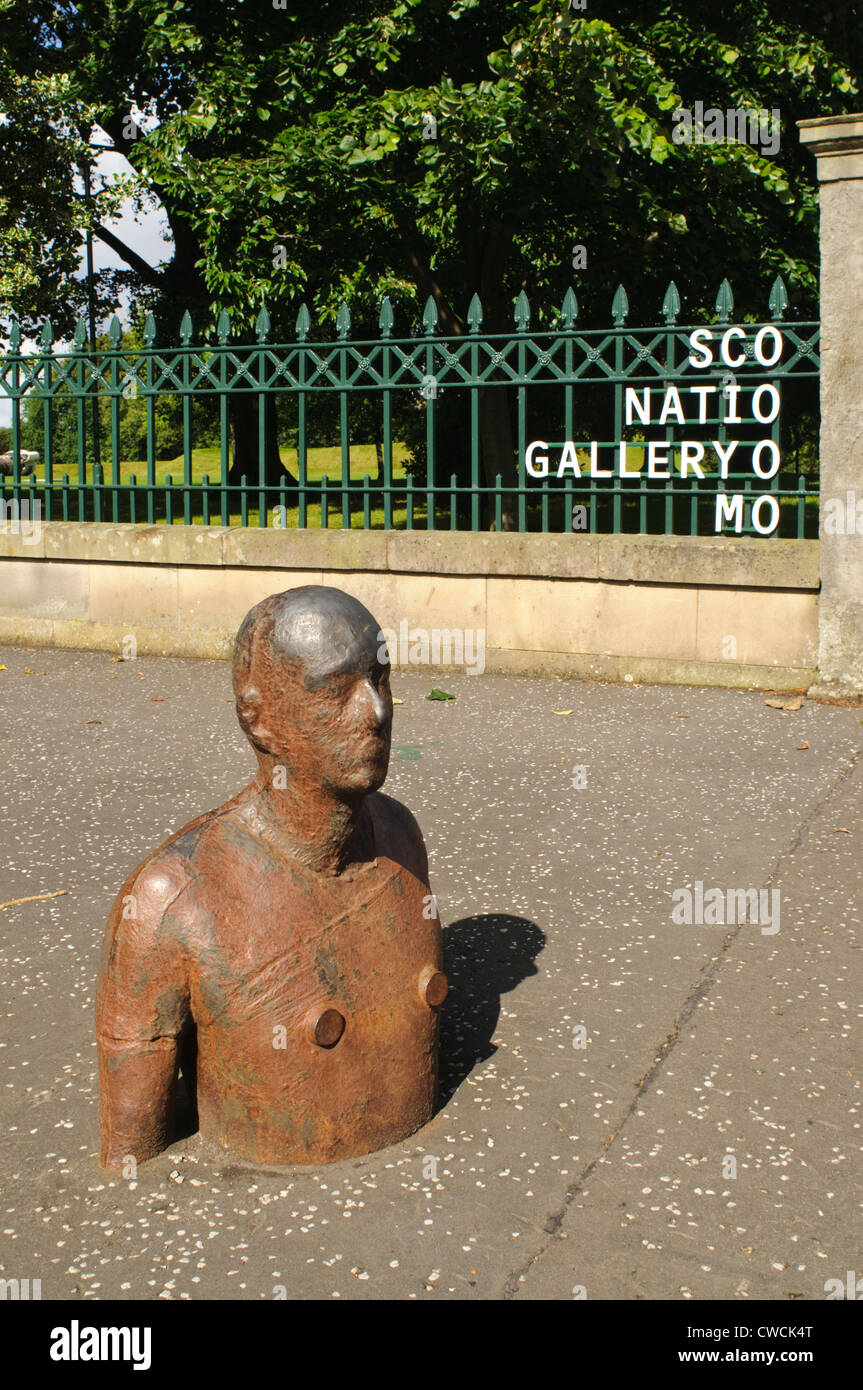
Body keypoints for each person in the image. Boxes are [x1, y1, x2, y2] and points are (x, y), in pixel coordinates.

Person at [97, 586, 446, 1168]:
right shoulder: (175, 899)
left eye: (380, 679)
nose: (377, 712)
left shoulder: (400, 838)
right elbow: (133, 1154)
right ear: (258, 720)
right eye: (336, 690)